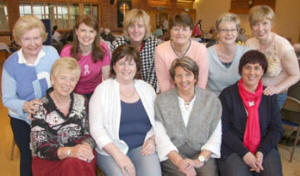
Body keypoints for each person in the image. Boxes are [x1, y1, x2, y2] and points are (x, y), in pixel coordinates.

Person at [89, 45, 161, 176]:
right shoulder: (102, 90)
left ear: (137, 67)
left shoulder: (147, 89)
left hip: (142, 148)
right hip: (111, 151)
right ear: (114, 66)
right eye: (121, 63)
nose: (126, 68)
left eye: (131, 64)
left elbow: (159, 122)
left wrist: (152, 139)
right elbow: (96, 128)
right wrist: (119, 156)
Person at [1, 15, 59, 176]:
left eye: (36, 38)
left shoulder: (52, 53)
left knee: (53, 154)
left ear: (43, 37)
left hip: (50, 115)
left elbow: (60, 80)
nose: (33, 44)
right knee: (28, 157)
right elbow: (7, 99)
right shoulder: (11, 64)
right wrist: (25, 106)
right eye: (27, 39)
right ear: (18, 40)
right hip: (22, 119)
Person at [218, 50, 283, 176]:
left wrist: (261, 151)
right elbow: (222, 129)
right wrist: (245, 153)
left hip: (264, 147)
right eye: (248, 67)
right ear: (241, 70)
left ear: (263, 71)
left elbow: (276, 129)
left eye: (257, 68)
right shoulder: (227, 95)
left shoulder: (269, 95)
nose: (252, 73)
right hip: (234, 148)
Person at [155, 57, 222, 176]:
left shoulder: (211, 100)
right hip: (173, 153)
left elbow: (215, 136)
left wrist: (199, 161)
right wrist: (179, 162)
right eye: (179, 76)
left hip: (202, 153)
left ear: (195, 77)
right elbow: (161, 137)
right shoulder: (161, 101)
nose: (183, 80)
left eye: (188, 75)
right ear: (173, 79)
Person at [30, 57, 96, 176]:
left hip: (79, 157)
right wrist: (69, 151)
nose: (67, 83)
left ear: (76, 82)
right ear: (53, 79)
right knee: (72, 165)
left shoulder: (82, 101)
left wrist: (86, 147)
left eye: (72, 79)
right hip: (50, 160)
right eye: (63, 78)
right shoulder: (40, 106)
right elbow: (39, 147)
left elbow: (89, 133)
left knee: (75, 164)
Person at [246, 5, 300, 108]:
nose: (260, 28)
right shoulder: (250, 43)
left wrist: (277, 88)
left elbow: (296, 75)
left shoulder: (283, 46)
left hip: (274, 95)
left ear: (272, 24)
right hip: (253, 92)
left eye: (265, 23)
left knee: (264, 123)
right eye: (256, 24)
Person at [155, 12, 209, 93]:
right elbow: (164, 82)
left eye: (184, 29)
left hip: (195, 95)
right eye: (176, 29)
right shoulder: (160, 50)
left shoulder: (201, 50)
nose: (180, 33)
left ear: (191, 32)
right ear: (170, 31)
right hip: (170, 95)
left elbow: (201, 82)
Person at [60, 15, 110, 100]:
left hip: (96, 92)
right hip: (73, 93)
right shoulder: (66, 52)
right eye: (83, 30)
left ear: (96, 33)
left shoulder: (103, 49)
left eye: (91, 31)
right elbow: (63, 81)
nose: (87, 35)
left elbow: (107, 78)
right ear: (76, 31)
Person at [112, 9, 160, 90]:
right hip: (121, 89)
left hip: (148, 89)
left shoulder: (155, 45)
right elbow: (114, 73)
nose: (136, 30)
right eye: (131, 26)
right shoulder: (117, 44)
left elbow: (153, 76)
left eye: (140, 26)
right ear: (126, 28)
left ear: (146, 28)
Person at [207, 13, 249, 96]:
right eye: (224, 30)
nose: (229, 33)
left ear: (237, 33)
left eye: (233, 30)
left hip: (239, 101)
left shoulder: (247, 53)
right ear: (218, 33)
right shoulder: (207, 54)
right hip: (214, 101)